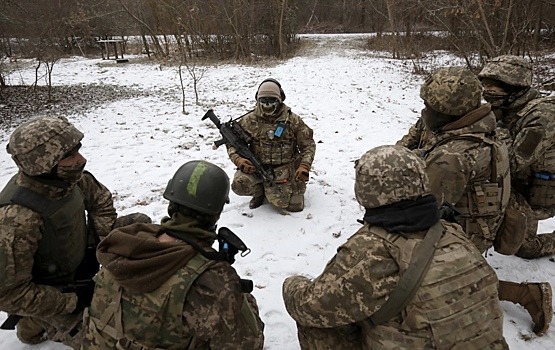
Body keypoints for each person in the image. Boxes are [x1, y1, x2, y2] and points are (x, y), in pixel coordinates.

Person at [283, 145, 508, 349]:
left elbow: (309, 306)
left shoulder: (372, 250)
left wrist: (292, 284)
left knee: (318, 323)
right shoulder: (453, 233)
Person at [418, 66, 552, 335]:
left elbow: (421, 208)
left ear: (445, 110)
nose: (423, 112)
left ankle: (526, 294)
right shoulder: (487, 127)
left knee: (414, 280)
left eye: (428, 106)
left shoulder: (455, 155)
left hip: (467, 233)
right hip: (483, 224)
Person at [0, 115, 151, 348]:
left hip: (80, 259)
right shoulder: (17, 220)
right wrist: (71, 301)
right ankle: (33, 325)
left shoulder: (67, 179)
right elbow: (10, 294)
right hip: (54, 292)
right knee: (106, 342)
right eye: (69, 156)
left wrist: (101, 242)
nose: (81, 160)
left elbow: (100, 200)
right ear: (44, 165)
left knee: (140, 226)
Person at [83, 160, 264, 349]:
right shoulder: (212, 280)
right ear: (217, 212)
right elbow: (249, 343)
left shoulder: (124, 247)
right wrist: (240, 300)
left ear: (171, 202)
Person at [479, 54, 555, 259]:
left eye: (494, 88)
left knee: (523, 248)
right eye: (484, 86)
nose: (487, 93)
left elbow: (511, 162)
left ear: (515, 88)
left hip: (536, 192)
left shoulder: (542, 117)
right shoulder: (505, 107)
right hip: (516, 185)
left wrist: (495, 127)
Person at [227, 78, 316, 212]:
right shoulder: (248, 120)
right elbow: (232, 142)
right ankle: (259, 192)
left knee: (292, 206)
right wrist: (238, 159)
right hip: (257, 168)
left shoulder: (293, 120)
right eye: (263, 101)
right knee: (240, 185)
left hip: (286, 169)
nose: (267, 105)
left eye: (271, 101)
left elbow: (308, 145)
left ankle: (275, 189)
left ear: (280, 99)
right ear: (257, 100)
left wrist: (304, 165)